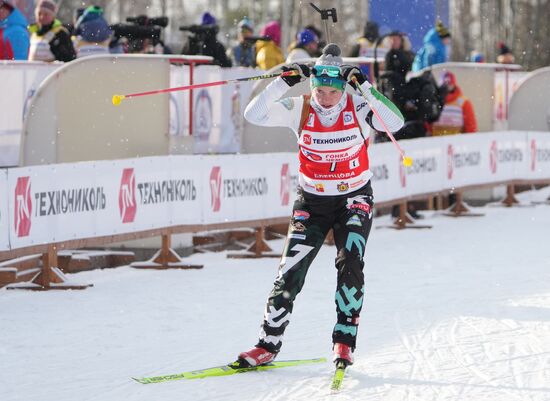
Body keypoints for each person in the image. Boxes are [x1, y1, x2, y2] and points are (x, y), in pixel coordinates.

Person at [240, 44, 404, 367]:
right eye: (320, 91)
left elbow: (395, 122)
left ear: (342, 88)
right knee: (290, 271)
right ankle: (267, 344)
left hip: (353, 199)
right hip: (312, 201)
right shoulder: (298, 108)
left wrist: (365, 86)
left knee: (350, 264)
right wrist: (283, 82)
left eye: (333, 92)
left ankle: (344, 341)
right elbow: (253, 114)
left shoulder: (358, 107)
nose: (326, 99)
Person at [431, 71, 477, 136]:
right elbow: (428, 123)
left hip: (456, 143)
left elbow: (470, 125)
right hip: (436, 142)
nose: (447, 87)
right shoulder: (434, 100)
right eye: (444, 84)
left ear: (454, 85)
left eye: (450, 84)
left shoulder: (463, 102)